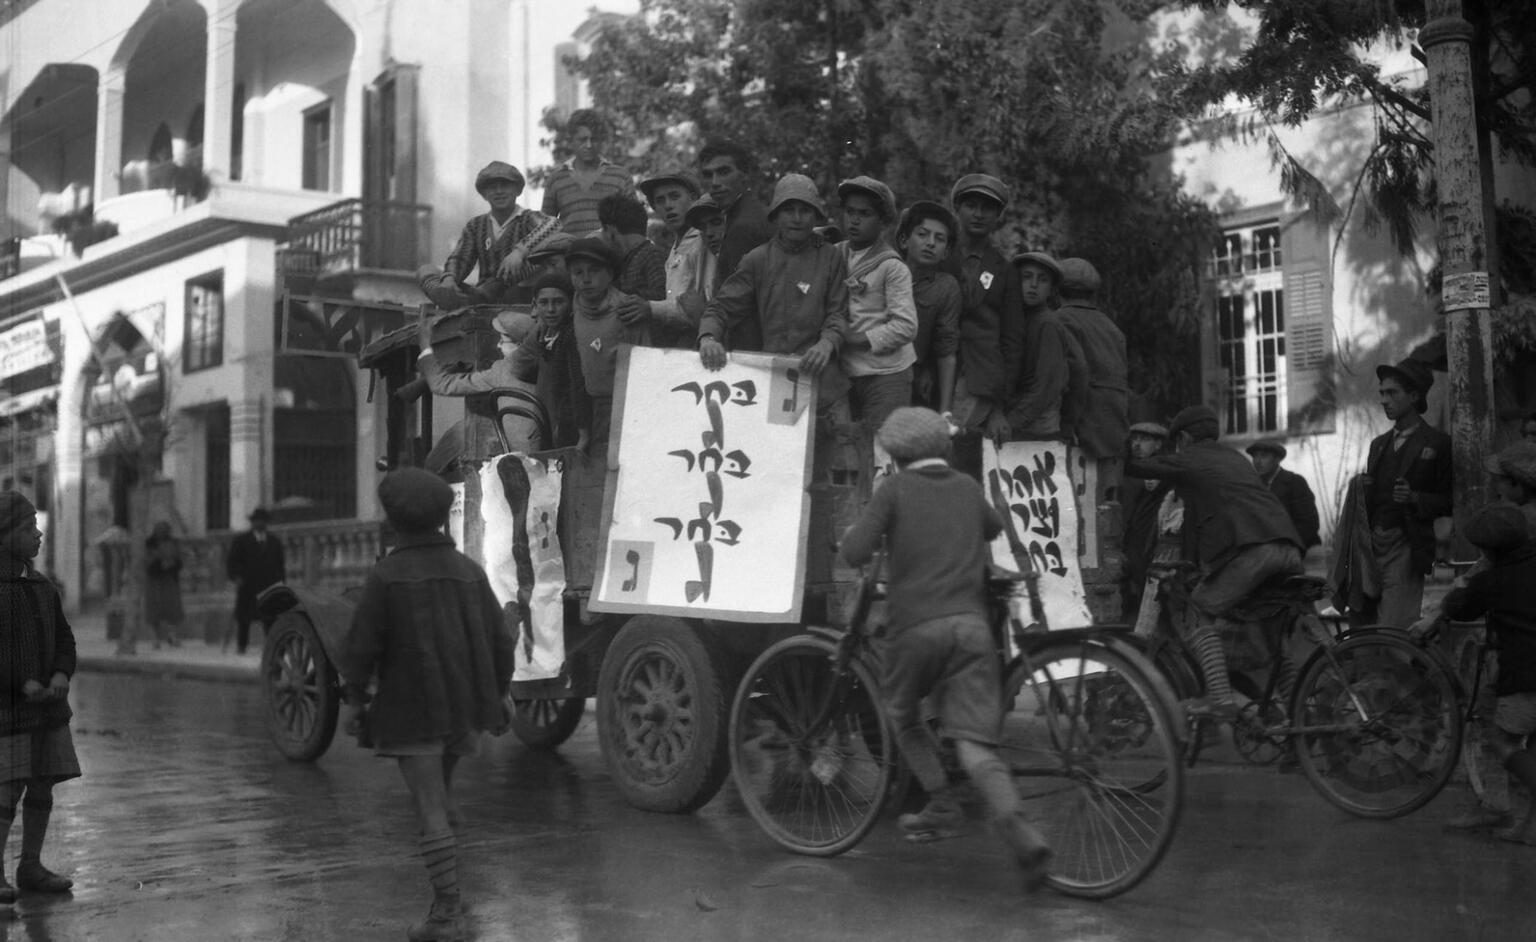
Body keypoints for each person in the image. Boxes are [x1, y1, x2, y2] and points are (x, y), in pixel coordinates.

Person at [837, 408, 1052, 887]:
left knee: (903, 715)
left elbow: (857, 551)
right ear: (944, 449)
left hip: (916, 628)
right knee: (975, 744)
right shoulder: (967, 488)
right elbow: (994, 527)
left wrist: (856, 536)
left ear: (894, 455)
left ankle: (940, 799)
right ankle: (1020, 830)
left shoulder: (893, 490)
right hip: (972, 629)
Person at [340, 469, 514, 941]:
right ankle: (453, 885)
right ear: (442, 518)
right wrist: (500, 693)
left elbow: (361, 648)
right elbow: (501, 640)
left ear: (394, 521)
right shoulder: (469, 572)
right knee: (442, 798)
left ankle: (447, 914)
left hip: (412, 709)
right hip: (464, 709)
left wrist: (354, 701)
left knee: (432, 808)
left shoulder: (386, 576)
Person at [1124, 405, 1305, 721]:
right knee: (1273, 635)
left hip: (1253, 551)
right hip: (1288, 547)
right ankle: (1299, 719)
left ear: (1183, 438)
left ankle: (1220, 698)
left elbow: (1140, 467)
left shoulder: (1192, 457)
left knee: (1198, 608)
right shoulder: (1236, 459)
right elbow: (1203, 519)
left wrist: (1109, 444)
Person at [697, 174, 850, 415]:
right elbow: (721, 308)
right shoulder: (758, 259)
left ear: (816, 216)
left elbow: (839, 312)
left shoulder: (831, 257)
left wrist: (826, 343)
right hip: (778, 384)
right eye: (789, 210)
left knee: (840, 446)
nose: (797, 219)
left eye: (805, 210)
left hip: (827, 385)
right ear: (776, 215)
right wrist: (708, 339)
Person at [1, 491, 80, 904]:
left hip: (47, 710)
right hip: (8, 711)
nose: (38, 534)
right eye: (28, 528)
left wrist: (61, 672)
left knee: (42, 783)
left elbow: (65, 639)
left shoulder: (42, 586)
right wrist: (19, 683)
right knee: (6, 790)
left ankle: (30, 865)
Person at [1441, 504, 1536, 847]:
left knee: (1502, 741)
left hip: (1525, 677)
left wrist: (1462, 584)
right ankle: (1529, 830)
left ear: (1487, 550)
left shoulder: (1491, 581)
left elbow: (1457, 608)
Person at [1361, 359, 1452, 628]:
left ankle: (1410, 668)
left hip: (1407, 547)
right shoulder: (1378, 446)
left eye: (1392, 393)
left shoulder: (1437, 443)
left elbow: (1450, 501)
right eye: (1382, 393)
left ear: (1414, 396)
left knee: (1395, 630)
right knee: (1366, 632)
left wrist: (1415, 498)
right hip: (1373, 547)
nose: (1384, 400)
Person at [941, 174, 1022, 460]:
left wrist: (999, 408)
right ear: (957, 209)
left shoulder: (1004, 269)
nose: (978, 214)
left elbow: (1012, 341)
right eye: (971, 205)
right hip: (934, 372)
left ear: (998, 216)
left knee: (952, 451)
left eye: (987, 208)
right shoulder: (939, 255)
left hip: (977, 380)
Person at [835, 175, 917, 440]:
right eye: (850, 212)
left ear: (883, 222)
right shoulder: (836, 254)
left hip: (886, 373)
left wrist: (856, 338)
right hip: (846, 371)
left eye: (865, 214)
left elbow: (906, 326)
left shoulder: (891, 266)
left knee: (881, 448)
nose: (855, 220)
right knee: (845, 447)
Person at [417, 161, 559, 309]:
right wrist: (449, 279)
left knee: (536, 259)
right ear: (484, 194)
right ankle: (452, 299)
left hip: (520, 294)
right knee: (426, 271)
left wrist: (520, 252)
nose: (499, 191)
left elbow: (553, 225)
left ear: (517, 190)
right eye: (492, 187)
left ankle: (461, 302)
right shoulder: (476, 225)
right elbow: (460, 258)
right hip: (482, 294)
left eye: (505, 185)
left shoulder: (527, 218)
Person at [416, 308, 544, 463]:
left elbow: (441, 384)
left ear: (519, 344)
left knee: (459, 433)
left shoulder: (502, 370)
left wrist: (424, 345)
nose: (498, 345)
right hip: (549, 452)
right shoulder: (549, 363)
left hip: (519, 458)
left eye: (502, 340)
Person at [565, 237, 651, 449]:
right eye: (578, 272)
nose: (585, 279)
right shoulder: (573, 311)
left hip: (626, 407)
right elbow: (578, 374)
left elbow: (645, 365)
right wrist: (583, 430)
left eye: (594, 271)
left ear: (610, 274)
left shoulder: (626, 311)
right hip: (590, 407)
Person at [1004, 251, 1083, 443]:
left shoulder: (1047, 324)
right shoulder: (1017, 318)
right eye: (1026, 277)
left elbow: (1047, 384)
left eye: (1042, 280)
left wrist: (1013, 420)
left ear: (1052, 290)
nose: (1033, 285)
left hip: (1036, 424)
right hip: (1020, 415)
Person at [1054, 258, 1128, 460]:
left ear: (1057, 289)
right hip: (1113, 427)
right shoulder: (1111, 327)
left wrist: (1068, 424)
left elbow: (1077, 372)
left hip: (1083, 429)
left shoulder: (1060, 319)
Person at [510, 272, 589, 450]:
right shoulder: (543, 336)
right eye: (544, 303)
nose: (551, 309)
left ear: (571, 304)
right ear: (535, 305)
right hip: (548, 420)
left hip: (570, 429)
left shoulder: (572, 337)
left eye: (559, 302)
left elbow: (577, 388)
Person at [897, 200, 960, 416]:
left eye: (939, 238)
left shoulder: (945, 287)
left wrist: (945, 412)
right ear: (905, 240)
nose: (930, 243)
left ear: (946, 252)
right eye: (923, 234)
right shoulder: (884, 270)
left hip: (910, 380)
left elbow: (946, 350)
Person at [639, 169, 713, 348]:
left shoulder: (704, 242)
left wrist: (649, 308)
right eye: (660, 200)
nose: (668, 206)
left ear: (694, 198)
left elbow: (703, 305)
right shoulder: (675, 248)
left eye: (674, 196)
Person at [697, 139, 772, 299]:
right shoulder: (747, 212)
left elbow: (734, 304)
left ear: (745, 175)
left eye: (724, 172)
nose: (715, 183)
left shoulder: (744, 225)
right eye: (708, 175)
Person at [541, 110, 633, 236]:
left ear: (601, 141)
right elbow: (544, 227)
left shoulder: (620, 177)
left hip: (611, 253)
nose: (588, 145)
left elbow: (635, 223)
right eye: (582, 140)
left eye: (594, 139)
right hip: (570, 253)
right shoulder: (556, 179)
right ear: (571, 141)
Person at [1121, 421, 1175, 623]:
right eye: (1134, 439)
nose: (1137, 444)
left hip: (1151, 544)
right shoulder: (1133, 471)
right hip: (1135, 541)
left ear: (1158, 445)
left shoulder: (1162, 467)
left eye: (1144, 440)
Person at [225, 507, 286, 655]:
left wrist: (281, 584)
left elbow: (280, 564)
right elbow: (232, 562)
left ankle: (272, 647)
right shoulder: (241, 541)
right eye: (256, 521)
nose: (259, 524)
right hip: (248, 585)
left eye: (262, 521)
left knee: (270, 618)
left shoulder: (274, 541)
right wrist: (236, 577)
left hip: (269, 585)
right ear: (252, 523)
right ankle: (242, 646)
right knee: (244, 619)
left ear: (266, 523)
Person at [596, 192, 667, 303]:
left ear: (610, 230)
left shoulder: (652, 255)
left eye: (602, 230)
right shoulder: (626, 260)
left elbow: (663, 296)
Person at [143, 521, 185, 649]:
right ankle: (154, 640)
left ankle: (172, 636)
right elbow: (146, 562)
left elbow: (179, 560)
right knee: (153, 612)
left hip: (169, 580)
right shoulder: (148, 545)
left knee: (172, 611)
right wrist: (159, 565)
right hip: (153, 581)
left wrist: (172, 565)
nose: (162, 532)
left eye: (164, 530)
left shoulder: (173, 543)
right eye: (159, 529)